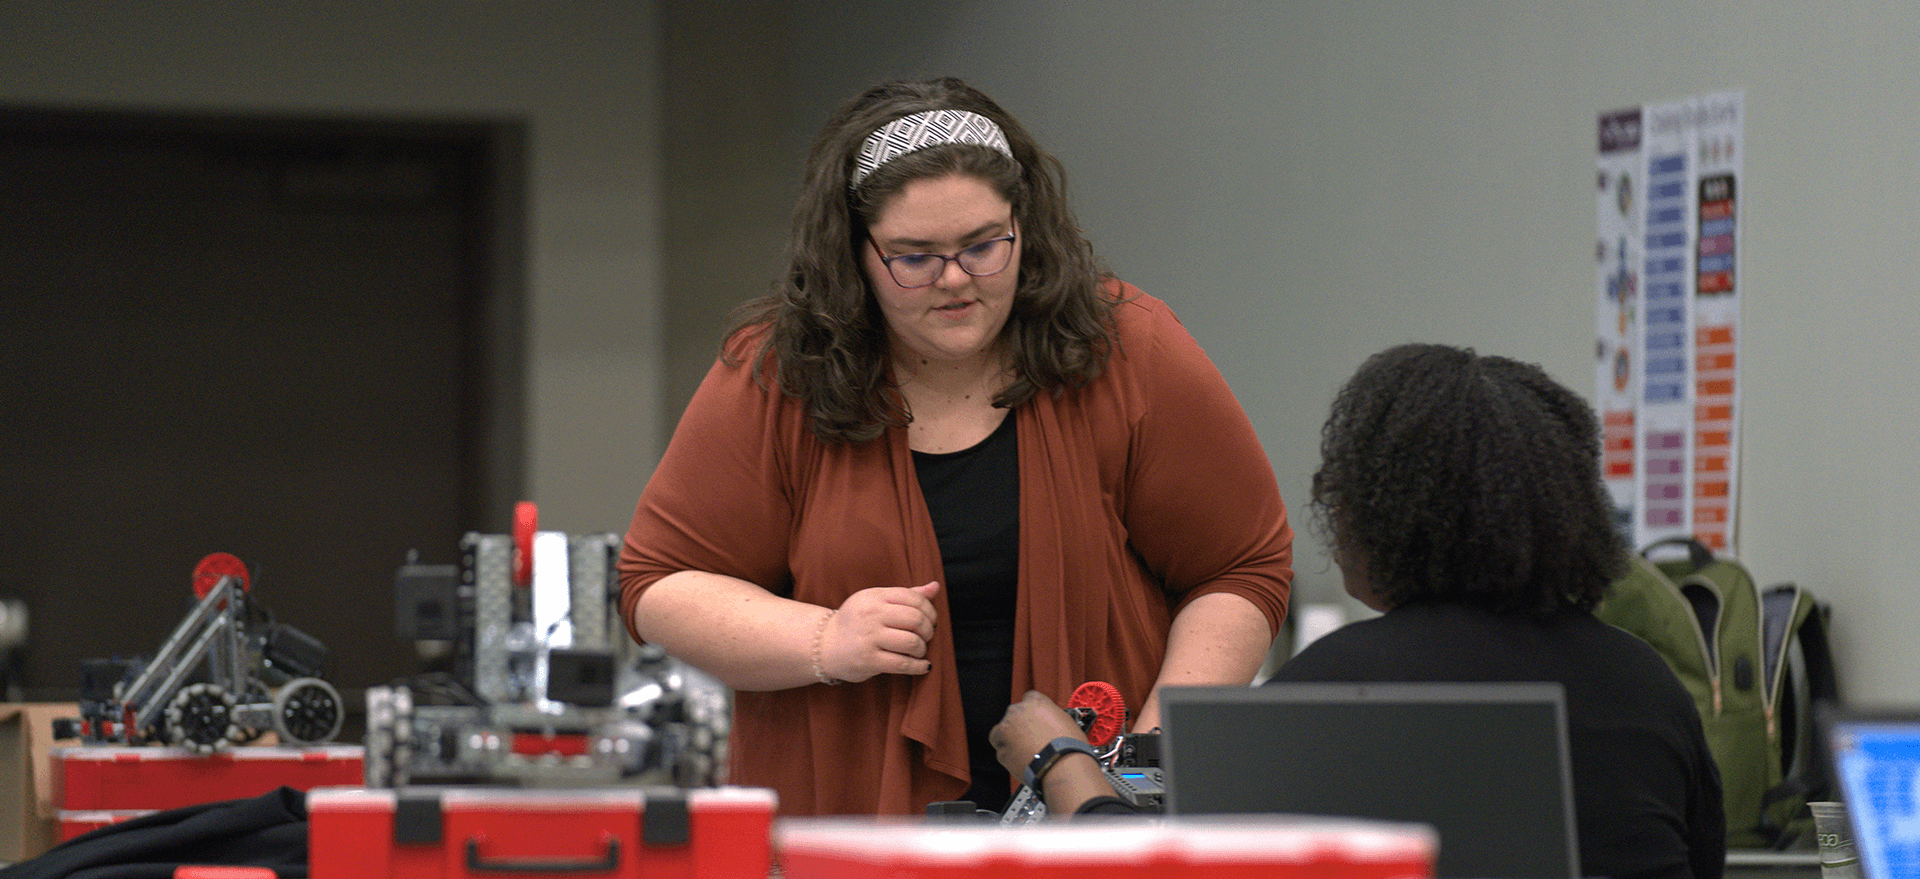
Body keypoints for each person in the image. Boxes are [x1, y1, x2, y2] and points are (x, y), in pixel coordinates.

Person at [617, 77, 1293, 816]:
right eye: (915, 257)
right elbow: (660, 583)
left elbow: (1239, 569)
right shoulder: (780, 374)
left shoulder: (1127, 347)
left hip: (1094, 820)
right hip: (852, 824)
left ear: (1024, 228)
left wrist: (1140, 770)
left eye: (983, 246)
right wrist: (822, 639)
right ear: (853, 255)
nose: (956, 281)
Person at [992, 344, 1725, 879]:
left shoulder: (1345, 685)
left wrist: (1060, 760)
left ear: (1385, 510)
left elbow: (1171, 872)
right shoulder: (1645, 683)